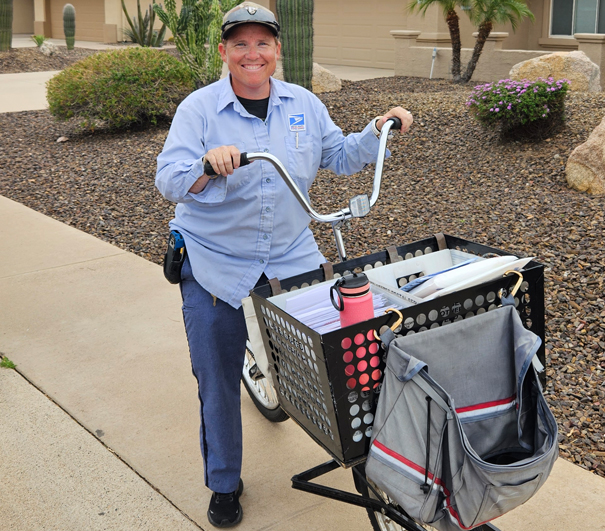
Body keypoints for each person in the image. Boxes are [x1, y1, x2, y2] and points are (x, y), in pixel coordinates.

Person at [154, 2, 412, 527]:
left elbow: (338, 155)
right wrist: (206, 167)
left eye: (263, 43)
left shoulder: (304, 105)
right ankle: (224, 482)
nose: (253, 54)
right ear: (225, 52)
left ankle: (374, 457)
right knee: (217, 375)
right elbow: (169, 178)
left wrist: (378, 129)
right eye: (241, 44)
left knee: (344, 354)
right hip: (214, 260)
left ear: (277, 50)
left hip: (293, 250)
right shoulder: (199, 110)